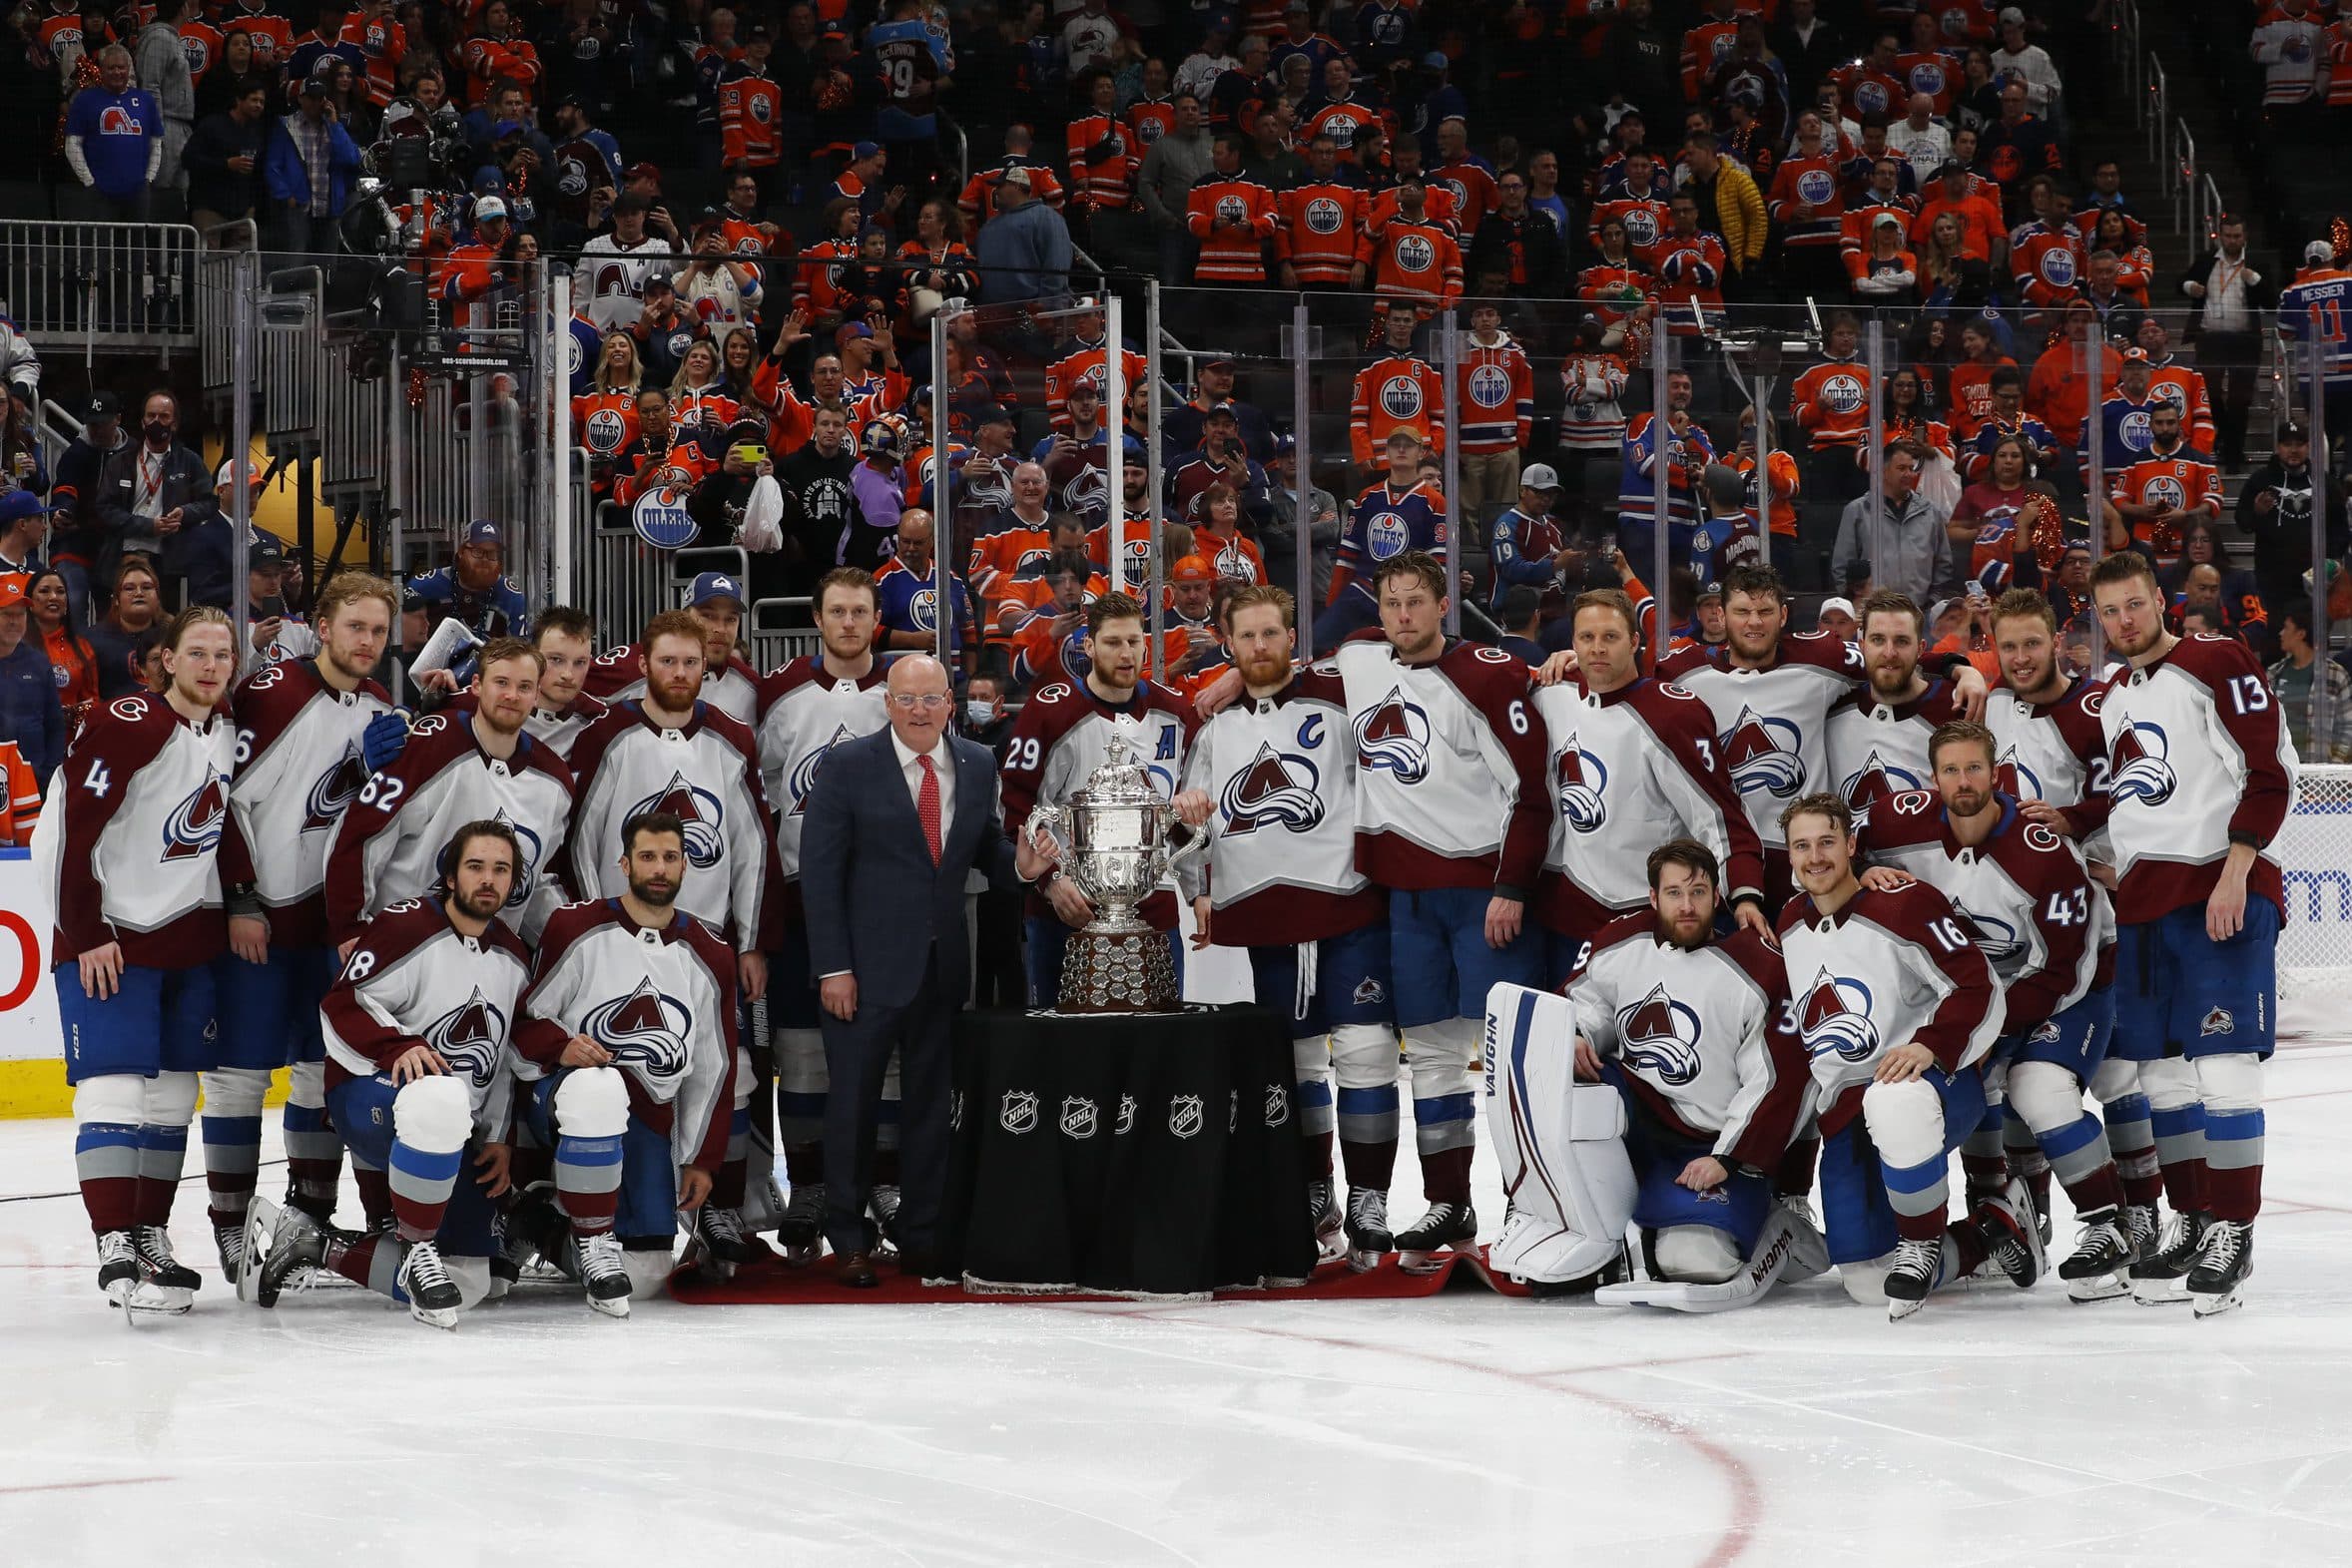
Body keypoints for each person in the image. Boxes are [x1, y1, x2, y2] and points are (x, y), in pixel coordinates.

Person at [2054, 552, 2295, 1315]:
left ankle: (2234, 1228)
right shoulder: (2116, 696)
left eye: (2135, 604)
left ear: (2160, 601)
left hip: (2220, 890)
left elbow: (2269, 769)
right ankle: (2192, 1219)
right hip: (2146, 906)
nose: (2124, 620)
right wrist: (2093, 842)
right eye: (2110, 611)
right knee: (2161, 1075)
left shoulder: (2215, 660)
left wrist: (2238, 866)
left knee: (2224, 1065)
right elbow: (2133, 793)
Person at [1856, 721, 2138, 1298]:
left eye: (1974, 769)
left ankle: (2108, 1223)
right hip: (1975, 994)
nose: (1963, 781)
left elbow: (2065, 969)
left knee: (2038, 1087)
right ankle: (2000, 1213)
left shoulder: (2043, 852)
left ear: (1996, 774)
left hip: (2070, 987)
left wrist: (1981, 1027)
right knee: (1969, 1082)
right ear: (1932, 778)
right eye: (1951, 770)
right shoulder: (1896, 822)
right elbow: (1843, 850)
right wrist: (1863, 868)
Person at [1326, 551, 1548, 1269]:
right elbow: (1289, 674)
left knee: (1510, 1060)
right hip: (1408, 899)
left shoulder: (1485, 674)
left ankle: (1532, 1208)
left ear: (1444, 604)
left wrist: (1511, 885)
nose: (1402, 615)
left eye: (1415, 601)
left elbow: (1532, 792)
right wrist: (1233, 676)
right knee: (1430, 1054)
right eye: (1391, 602)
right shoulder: (1359, 659)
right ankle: (1450, 1199)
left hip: (1483, 895)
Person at [801, 654, 1048, 1286]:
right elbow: (821, 875)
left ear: (950, 704)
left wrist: (1021, 866)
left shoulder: (978, 762)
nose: (918, 710)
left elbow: (986, 845)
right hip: (861, 974)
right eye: (906, 699)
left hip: (942, 968)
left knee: (932, 1110)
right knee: (852, 1107)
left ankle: (924, 1235)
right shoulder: (846, 765)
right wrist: (833, 967)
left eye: (931, 698)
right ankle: (849, 1239)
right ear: (887, 703)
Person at [1488, 837, 1819, 1304]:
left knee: (1696, 1261)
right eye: (1674, 893)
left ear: (1717, 896)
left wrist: (1726, 1158)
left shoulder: (1759, 968)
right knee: (1566, 1081)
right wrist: (1576, 1034)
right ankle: (1575, 1221)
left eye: (1698, 892)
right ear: (1653, 897)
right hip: (1635, 1124)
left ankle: (1779, 1225)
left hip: (1708, 1146)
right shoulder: (1620, 941)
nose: (1687, 906)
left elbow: (1777, 1082)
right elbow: (1585, 1003)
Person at [1171, 585, 1392, 1265]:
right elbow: (1188, 822)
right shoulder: (1213, 729)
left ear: (1293, 638)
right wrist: (1199, 883)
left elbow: (1384, 642)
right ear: (1227, 643)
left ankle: (1370, 1196)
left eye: (1272, 633)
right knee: (1294, 1063)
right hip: (1266, 913)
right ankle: (1315, 1190)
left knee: (1365, 1050)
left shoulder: (1339, 693)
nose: (1261, 646)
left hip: (1347, 901)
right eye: (1247, 636)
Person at [254, 819, 532, 1325]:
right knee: (437, 1098)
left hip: (452, 1126)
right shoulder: (406, 926)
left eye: (500, 869)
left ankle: (314, 1244)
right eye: (475, 867)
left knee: (473, 1281)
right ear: (452, 876)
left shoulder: (513, 957)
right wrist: (397, 1045)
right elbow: (341, 1005)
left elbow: (501, 1056)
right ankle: (418, 1247)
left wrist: (497, 1136)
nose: (488, 879)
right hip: (368, 1092)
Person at [203, 572, 399, 1277]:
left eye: (378, 630)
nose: (367, 641)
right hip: (259, 919)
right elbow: (220, 798)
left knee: (321, 1071)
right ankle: (231, 1225)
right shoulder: (273, 693)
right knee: (239, 1076)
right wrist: (241, 898)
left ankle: (308, 1219)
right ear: (321, 627)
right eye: (355, 626)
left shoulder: (380, 707)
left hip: (330, 926)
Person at [55, 606, 239, 1316]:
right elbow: (74, 823)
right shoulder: (130, 720)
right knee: (113, 1089)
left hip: (185, 940)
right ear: (167, 659)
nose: (211, 666)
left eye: (223, 654)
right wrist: (86, 928)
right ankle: (114, 1240)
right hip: (111, 937)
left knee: (171, 1097)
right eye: (197, 653)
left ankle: (148, 1233)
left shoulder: (221, 729)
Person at [1775, 790, 2019, 1317]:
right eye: (1801, 846)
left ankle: (1921, 1242)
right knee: (1866, 1282)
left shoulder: (1904, 904)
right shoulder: (1790, 922)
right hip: (1846, 1111)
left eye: (1826, 842)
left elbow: (1978, 987)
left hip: (1931, 1084)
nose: (1815, 857)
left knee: (1894, 1100)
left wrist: (1932, 1044)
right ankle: (1989, 1232)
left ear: (1851, 845)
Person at [508, 810, 741, 1313]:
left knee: (649, 1273)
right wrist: (561, 1046)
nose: (659, 868)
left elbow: (713, 1068)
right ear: (625, 864)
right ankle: (581, 1226)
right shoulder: (575, 926)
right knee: (599, 1089)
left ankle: (544, 1223)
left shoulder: (710, 951)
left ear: (685, 865)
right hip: (567, 1103)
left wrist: (700, 1159)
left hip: (648, 1122)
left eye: (670, 857)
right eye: (647, 857)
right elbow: (524, 1024)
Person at [1530, 588, 1769, 992]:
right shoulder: (1553, 690)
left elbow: (1719, 817)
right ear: (1572, 643)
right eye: (1587, 638)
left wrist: (1745, 895)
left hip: (1649, 918)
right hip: (1569, 915)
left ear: (1634, 642)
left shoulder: (1671, 715)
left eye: (1610, 636)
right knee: (1566, 1028)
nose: (1597, 648)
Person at [754, 567, 892, 1259]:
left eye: (859, 611)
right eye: (836, 610)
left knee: (886, 1046)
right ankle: (808, 1184)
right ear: (816, 617)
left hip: (882, 900)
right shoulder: (780, 693)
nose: (848, 622)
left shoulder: (902, 690)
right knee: (802, 1050)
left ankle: (886, 1182)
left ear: (876, 619)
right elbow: (763, 790)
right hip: (802, 899)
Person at [1001, 590, 1195, 1002]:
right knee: (1063, 1036)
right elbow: (1017, 807)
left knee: (1160, 1033)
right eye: (1112, 642)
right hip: (1067, 909)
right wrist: (1050, 881)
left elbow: (1184, 812)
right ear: (1088, 646)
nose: (1126, 654)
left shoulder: (1177, 711)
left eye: (1134, 641)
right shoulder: (1049, 711)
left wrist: (1200, 891)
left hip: (1154, 908)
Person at [323, 636, 575, 945]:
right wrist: (351, 927)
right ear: (477, 685)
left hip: (484, 955)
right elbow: (361, 835)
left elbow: (535, 882)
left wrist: (567, 944)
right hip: (402, 944)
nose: (511, 695)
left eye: (524, 687)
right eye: (501, 683)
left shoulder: (555, 781)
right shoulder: (430, 747)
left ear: (536, 695)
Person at [1826, 590, 1971, 820]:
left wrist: (1964, 670)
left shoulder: (1957, 706)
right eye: (1878, 640)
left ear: (1921, 648)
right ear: (1862, 645)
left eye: (1902, 641)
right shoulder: (1832, 704)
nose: (1889, 652)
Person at [1320, 429, 1447, 648]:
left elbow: (1438, 566)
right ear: (1386, 452)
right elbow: (1346, 558)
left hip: (1405, 600)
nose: (1401, 449)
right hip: (1361, 592)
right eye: (1395, 445)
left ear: (1421, 453)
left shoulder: (1434, 502)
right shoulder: (1367, 497)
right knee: (1314, 646)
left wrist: (1431, 609)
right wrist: (1333, 604)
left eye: (1408, 445)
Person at [586, 572, 759, 723]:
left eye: (731, 619)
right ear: (685, 616)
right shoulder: (636, 662)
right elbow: (573, 688)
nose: (720, 629)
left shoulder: (752, 687)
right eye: (708, 616)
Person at [2235, 421, 2347, 617]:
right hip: (2271, 582)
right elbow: (2243, 523)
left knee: (2313, 635)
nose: (2293, 450)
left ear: (2308, 446)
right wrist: (2256, 513)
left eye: (2299, 444)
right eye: (2287, 444)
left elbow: (2340, 527)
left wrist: (2332, 560)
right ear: (2278, 447)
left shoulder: (2325, 483)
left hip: (2315, 582)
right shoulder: (2260, 480)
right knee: (2275, 634)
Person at [1832, 441, 1952, 602]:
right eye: (1901, 468)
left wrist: (1932, 602)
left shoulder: (1931, 512)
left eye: (1911, 468)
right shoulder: (1857, 510)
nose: (1909, 474)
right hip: (1872, 611)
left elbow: (1943, 564)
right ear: (1883, 472)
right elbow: (1842, 567)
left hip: (1919, 611)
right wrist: (1856, 605)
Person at [263, 75, 362, 255]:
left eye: (319, 98)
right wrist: (286, 195)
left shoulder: (334, 126)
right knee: (296, 258)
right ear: (301, 98)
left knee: (328, 262)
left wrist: (334, 124)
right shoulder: (287, 126)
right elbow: (272, 166)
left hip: (330, 206)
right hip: (300, 206)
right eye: (311, 98)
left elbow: (352, 159)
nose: (316, 103)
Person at [64, 45, 162, 222]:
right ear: (101, 70)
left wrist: (148, 179)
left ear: (128, 69)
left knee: (137, 239)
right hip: (99, 192)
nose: (117, 72)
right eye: (111, 68)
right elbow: (73, 143)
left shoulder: (145, 100)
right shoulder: (85, 100)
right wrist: (88, 181)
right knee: (101, 239)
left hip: (138, 192)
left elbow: (156, 144)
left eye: (121, 67)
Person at [402, 520, 529, 649]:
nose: (485, 559)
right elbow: (400, 634)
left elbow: (523, 650)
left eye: (492, 553)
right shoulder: (426, 585)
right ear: (461, 552)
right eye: (478, 551)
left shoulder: (510, 596)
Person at [973, 166, 1073, 304]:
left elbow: (1057, 267)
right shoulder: (988, 227)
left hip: (1032, 311)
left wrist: (1046, 307)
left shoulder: (1046, 217)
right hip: (991, 311)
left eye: (1001, 186)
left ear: (1017, 186)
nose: (996, 191)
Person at [0, 572, 63, 790]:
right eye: (6, 614)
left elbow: (55, 724)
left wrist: (48, 773)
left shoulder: (38, 663)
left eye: (20, 615)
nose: (14, 621)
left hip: (34, 782)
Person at [2269, 606, 2352, 763]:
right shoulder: (2274, 673)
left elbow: (2348, 728)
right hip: (2282, 767)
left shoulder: (2335, 675)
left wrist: (2335, 765)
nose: (2281, 633)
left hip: (2319, 770)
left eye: (2286, 628)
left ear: (2301, 634)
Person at [85, 556, 168, 700]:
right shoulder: (91, 641)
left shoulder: (175, 637)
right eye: (129, 588)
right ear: (116, 599)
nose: (139, 593)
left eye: (147, 587)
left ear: (158, 598)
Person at [27, 567, 100, 713]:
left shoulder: (82, 646)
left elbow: (92, 701)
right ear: (29, 603)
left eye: (60, 591)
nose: (53, 597)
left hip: (71, 726)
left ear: (66, 603)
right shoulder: (13, 644)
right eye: (44, 591)